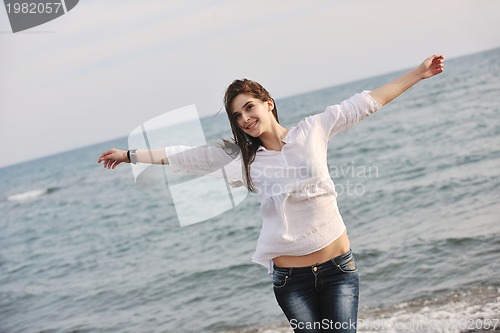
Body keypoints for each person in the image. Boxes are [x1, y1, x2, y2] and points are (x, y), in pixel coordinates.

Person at [98, 54, 444, 332]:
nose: (245, 118)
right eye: (237, 115)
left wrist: (418, 73)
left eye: (250, 107)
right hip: (291, 280)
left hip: (339, 268)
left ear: (268, 103)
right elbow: (181, 155)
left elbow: (366, 102)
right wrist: (129, 155)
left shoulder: (312, 130)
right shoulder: (241, 158)